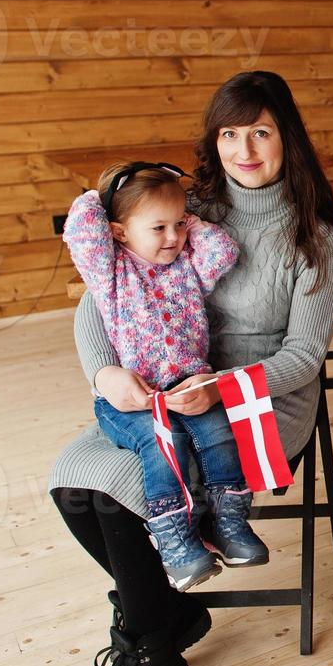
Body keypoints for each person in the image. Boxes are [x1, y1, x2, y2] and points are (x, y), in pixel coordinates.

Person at [49, 71, 333, 666]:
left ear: (287, 139)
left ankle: (151, 653)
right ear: (214, 142)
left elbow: (304, 355)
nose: (245, 148)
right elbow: (98, 298)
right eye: (230, 132)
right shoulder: (188, 208)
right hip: (167, 386)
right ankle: (170, 613)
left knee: (120, 496)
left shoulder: (315, 238)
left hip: (262, 397)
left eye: (262, 131)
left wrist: (222, 386)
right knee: (74, 482)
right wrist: (104, 372)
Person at [63, 162, 267, 591]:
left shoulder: (186, 266)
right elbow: (81, 231)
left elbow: (223, 253)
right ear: (119, 232)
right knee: (164, 441)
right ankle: (174, 539)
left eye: (179, 225)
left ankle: (228, 524)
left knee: (218, 433)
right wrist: (102, 196)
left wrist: (191, 222)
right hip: (133, 399)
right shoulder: (111, 273)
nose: (174, 237)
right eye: (159, 228)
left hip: (190, 382)